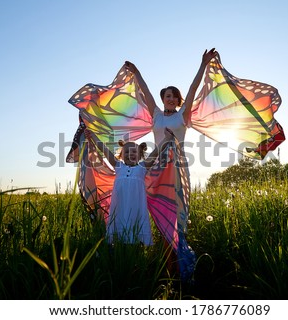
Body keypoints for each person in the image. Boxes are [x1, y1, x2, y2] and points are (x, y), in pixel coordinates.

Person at [124, 48, 218, 276]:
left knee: (176, 213)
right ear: (163, 99)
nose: (171, 98)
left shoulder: (182, 115)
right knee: (154, 208)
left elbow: (194, 89)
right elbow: (145, 91)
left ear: (178, 99)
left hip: (176, 168)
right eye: (167, 95)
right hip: (156, 167)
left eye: (174, 96)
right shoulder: (155, 114)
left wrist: (203, 64)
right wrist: (136, 72)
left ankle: (177, 264)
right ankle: (159, 260)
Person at [85, 127, 174, 245]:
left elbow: (156, 152)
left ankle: (137, 248)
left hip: (136, 206)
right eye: (126, 152)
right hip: (120, 205)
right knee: (119, 228)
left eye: (134, 152)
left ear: (140, 155)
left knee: (135, 227)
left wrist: (167, 138)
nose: (130, 154)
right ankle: (118, 249)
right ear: (121, 155)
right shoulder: (118, 166)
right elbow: (104, 149)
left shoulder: (142, 167)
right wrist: (92, 136)